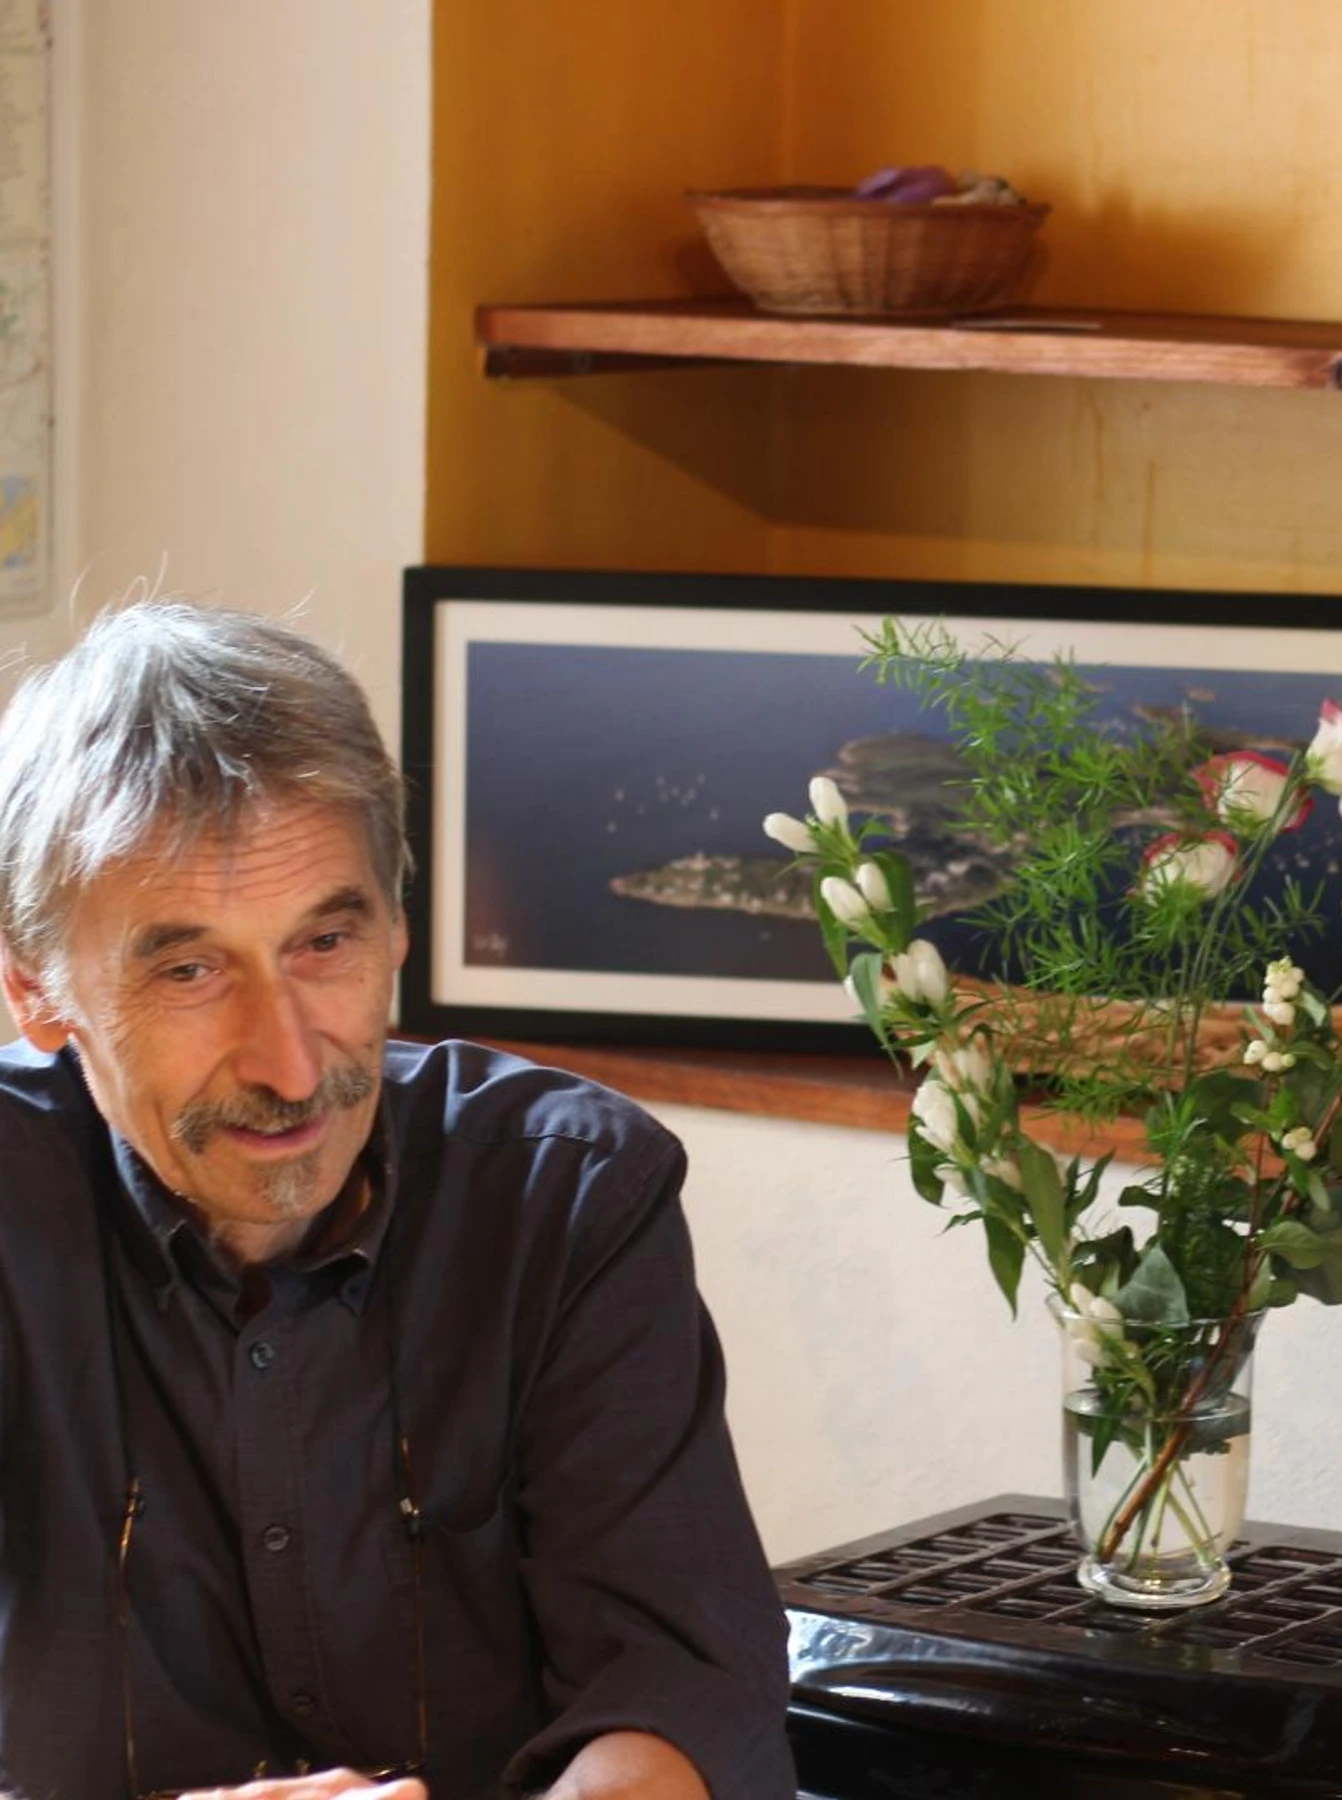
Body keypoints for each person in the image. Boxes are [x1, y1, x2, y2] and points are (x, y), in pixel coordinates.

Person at [0, 604, 796, 1799]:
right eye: (190, 969)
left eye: (325, 943)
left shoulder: (568, 1196)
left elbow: (682, 1682)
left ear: (399, 926)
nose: (290, 1066)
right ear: (37, 992)